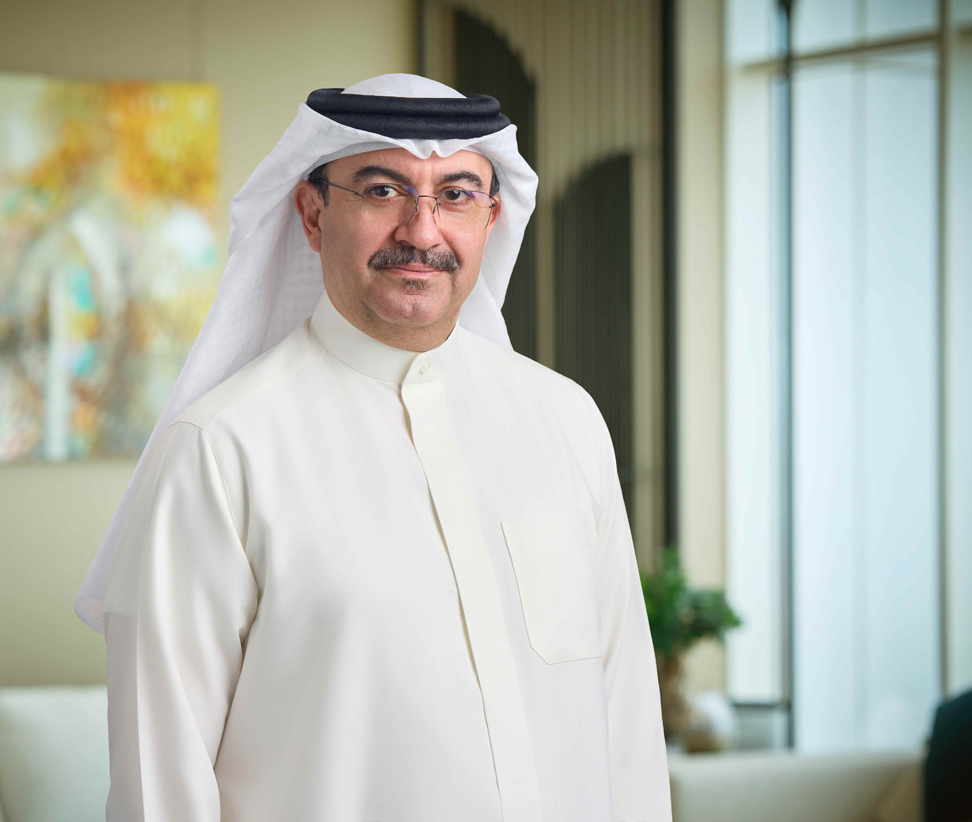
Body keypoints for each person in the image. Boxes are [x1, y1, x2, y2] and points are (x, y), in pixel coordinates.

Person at [75, 73, 672, 822]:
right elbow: (159, 792)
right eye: (383, 190)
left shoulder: (567, 421)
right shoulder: (221, 451)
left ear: (491, 217)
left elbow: (627, 732)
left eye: (456, 194)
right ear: (313, 213)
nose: (421, 231)